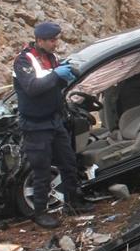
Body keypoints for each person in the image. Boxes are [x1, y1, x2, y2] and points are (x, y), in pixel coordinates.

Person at [13, 21, 94, 229]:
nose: (55, 43)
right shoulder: (24, 60)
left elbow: (54, 86)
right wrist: (55, 75)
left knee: (68, 162)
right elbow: (32, 87)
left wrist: (66, 76)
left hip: (54, 120)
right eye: (51, 40)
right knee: (41, 169)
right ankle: (40, 212)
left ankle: (73, 202)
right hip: (35, 125)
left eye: (56, 39)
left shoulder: (51, 58)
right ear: (39, 40)